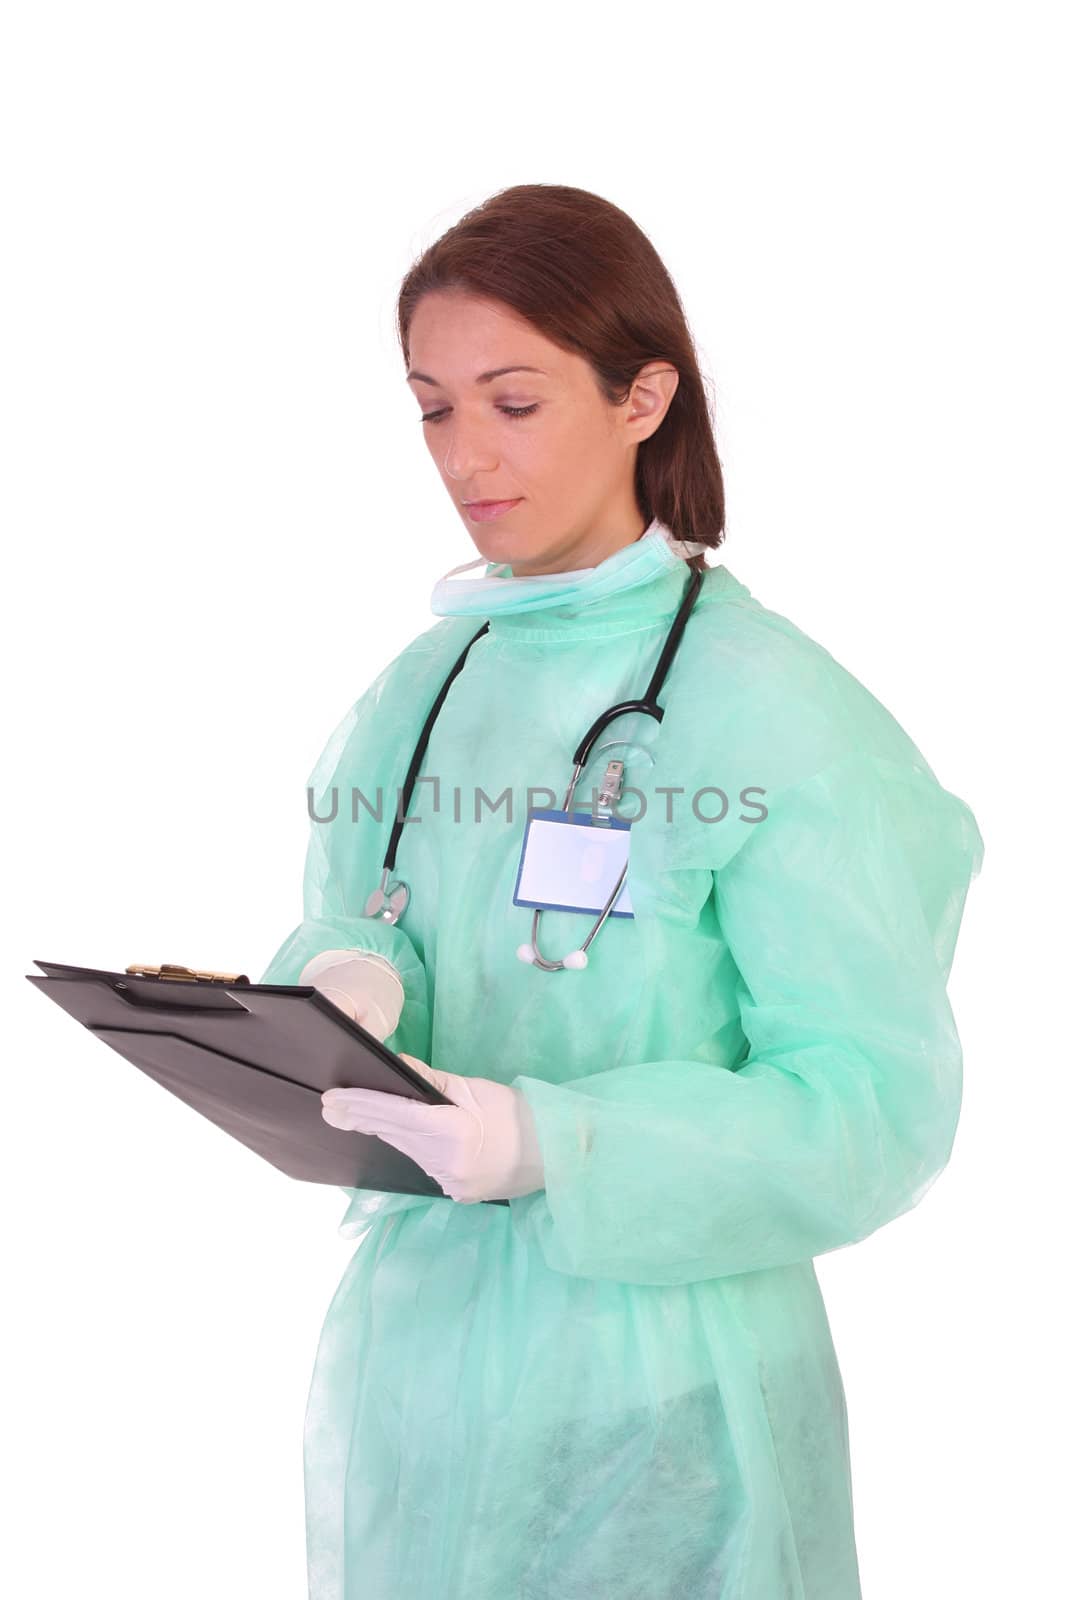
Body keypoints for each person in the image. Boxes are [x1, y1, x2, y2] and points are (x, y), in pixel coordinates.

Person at [261, 184, 984, 1600]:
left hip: (666, 1402)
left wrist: (559, 1144)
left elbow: (872, 1105)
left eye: (514, 402)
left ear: (644, 395)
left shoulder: (771, 711)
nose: (466, 455)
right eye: (432, 407)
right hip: (425, 1382)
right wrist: (342, 979)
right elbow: (367, 907)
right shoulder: (427, 685)